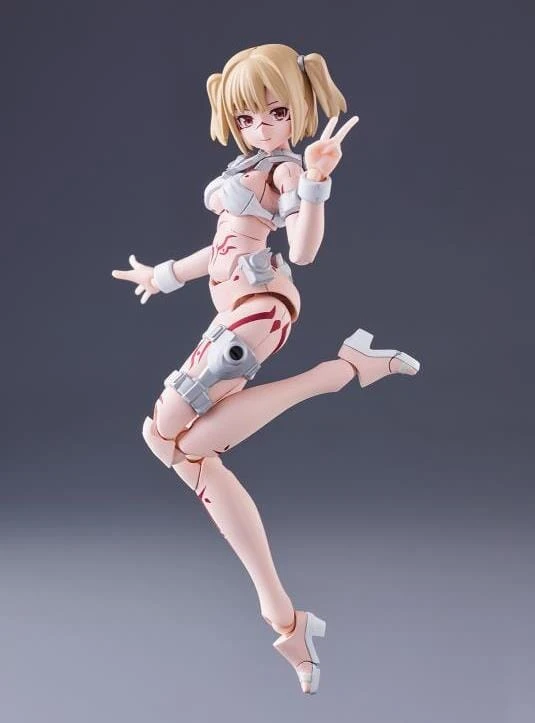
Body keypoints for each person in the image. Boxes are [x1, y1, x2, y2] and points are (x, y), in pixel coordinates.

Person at [112, 43, 420, 694]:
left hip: (259, 311)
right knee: (187, 449)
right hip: (233, 312)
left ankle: (340, 370)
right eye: (248, 117)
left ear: (296, 112)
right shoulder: (245, 168)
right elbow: (223, 246)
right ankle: (284, 617)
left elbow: (302, 250)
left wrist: (316, 181)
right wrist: (163, 275)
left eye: (275, 113)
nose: (261, 126)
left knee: (165, 433)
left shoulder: (285, 169)